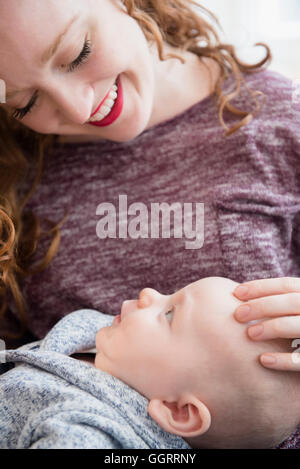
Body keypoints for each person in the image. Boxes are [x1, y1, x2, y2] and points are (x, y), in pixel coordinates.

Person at [0, 0, 299, 445]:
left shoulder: (277, 123)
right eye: (27, 102)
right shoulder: (12, 165)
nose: (79, 108)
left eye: (77, 53)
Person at [1, 276, 299, 449]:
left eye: (169, 313)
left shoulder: (88, 433)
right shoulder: (104, 340)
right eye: (171, 294)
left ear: (178, 410)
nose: (149, 293)